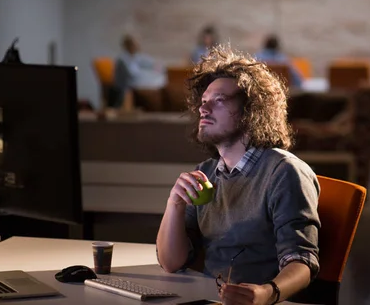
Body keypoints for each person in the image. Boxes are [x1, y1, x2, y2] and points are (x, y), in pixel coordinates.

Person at [156, 45, 321, 304]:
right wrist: (174, 204)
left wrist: (267, 293)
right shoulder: (205, 173)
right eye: (203, 102)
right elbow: (170, 262)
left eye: (219, 100)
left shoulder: (284, 172)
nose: (203, 109)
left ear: (251, 110)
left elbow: (302, 262)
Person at [109, 35, 166, 108]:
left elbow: (151, 64)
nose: (137, 46)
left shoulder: (136, 57)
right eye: (135, 44)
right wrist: (150, 74)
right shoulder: (122, 59)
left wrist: (157, 67)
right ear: (128, 45)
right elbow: (133, 75)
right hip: (123, 92)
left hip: (134, 88)